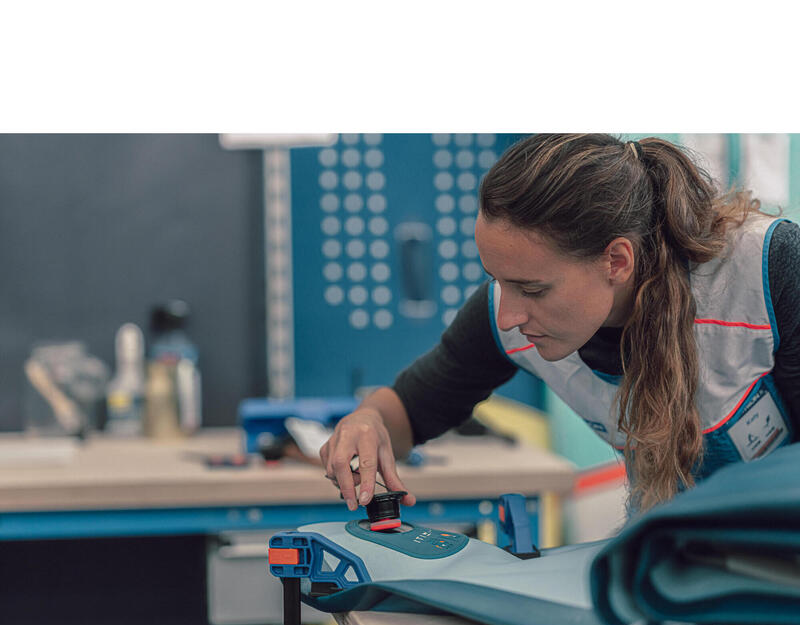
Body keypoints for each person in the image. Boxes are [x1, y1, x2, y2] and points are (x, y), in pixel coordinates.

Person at [321, 133, 800, 515]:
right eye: (496, 281)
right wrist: (367, 422)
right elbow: (408, 410)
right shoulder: (505, 312)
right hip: (677, 562)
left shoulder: (768, 274)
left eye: (532, 289)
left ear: (616, 260)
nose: (508, 315)